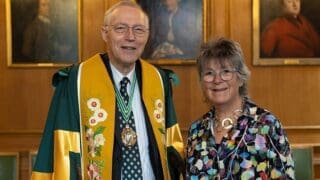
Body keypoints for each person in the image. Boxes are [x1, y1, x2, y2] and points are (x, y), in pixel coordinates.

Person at [31, 1, 184, 180]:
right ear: (105, 33)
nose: (130, 37)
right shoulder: (75, 82)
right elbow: (61, 150)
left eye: (139, 29)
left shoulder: (159, 80)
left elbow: (171, 150)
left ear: (147, 35)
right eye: (121, 28)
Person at [186, 38, 295, 179]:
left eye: (225, 71)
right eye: (209, 73)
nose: (217, 80)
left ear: (240, 78)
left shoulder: (266, 125)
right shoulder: (196, 131)